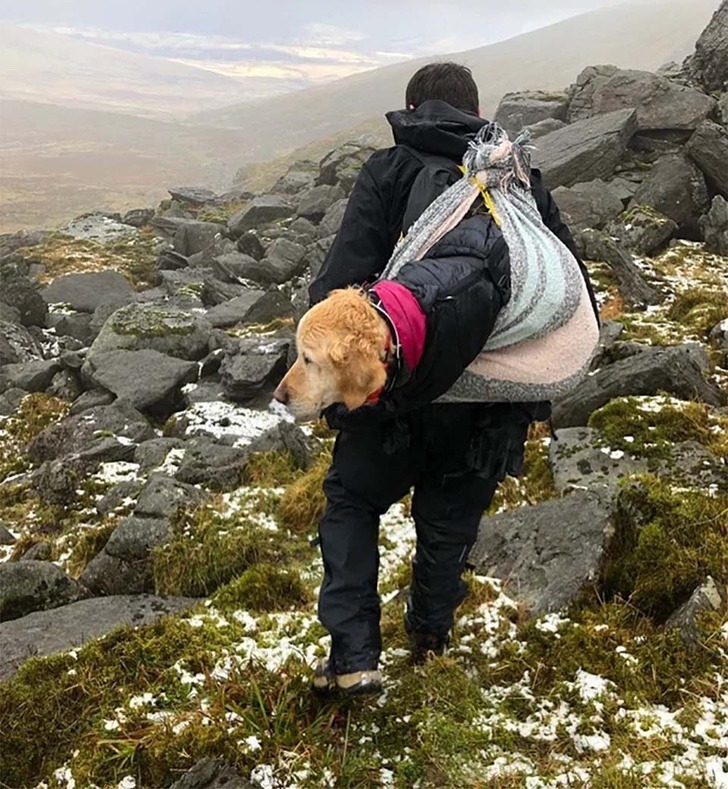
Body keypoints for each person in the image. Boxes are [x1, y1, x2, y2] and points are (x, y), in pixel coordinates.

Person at [307, 62, 597, 696]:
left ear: (412, 111)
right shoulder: (518, 183)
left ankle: (354, 657)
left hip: (396, 399)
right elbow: (569, 291)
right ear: (476, 112)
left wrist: (342, 394)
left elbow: (340, 289)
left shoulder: (388, 172)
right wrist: (529, 396)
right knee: (448, 524)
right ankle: (431, 641)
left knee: (352, 503)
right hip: (488, 407)